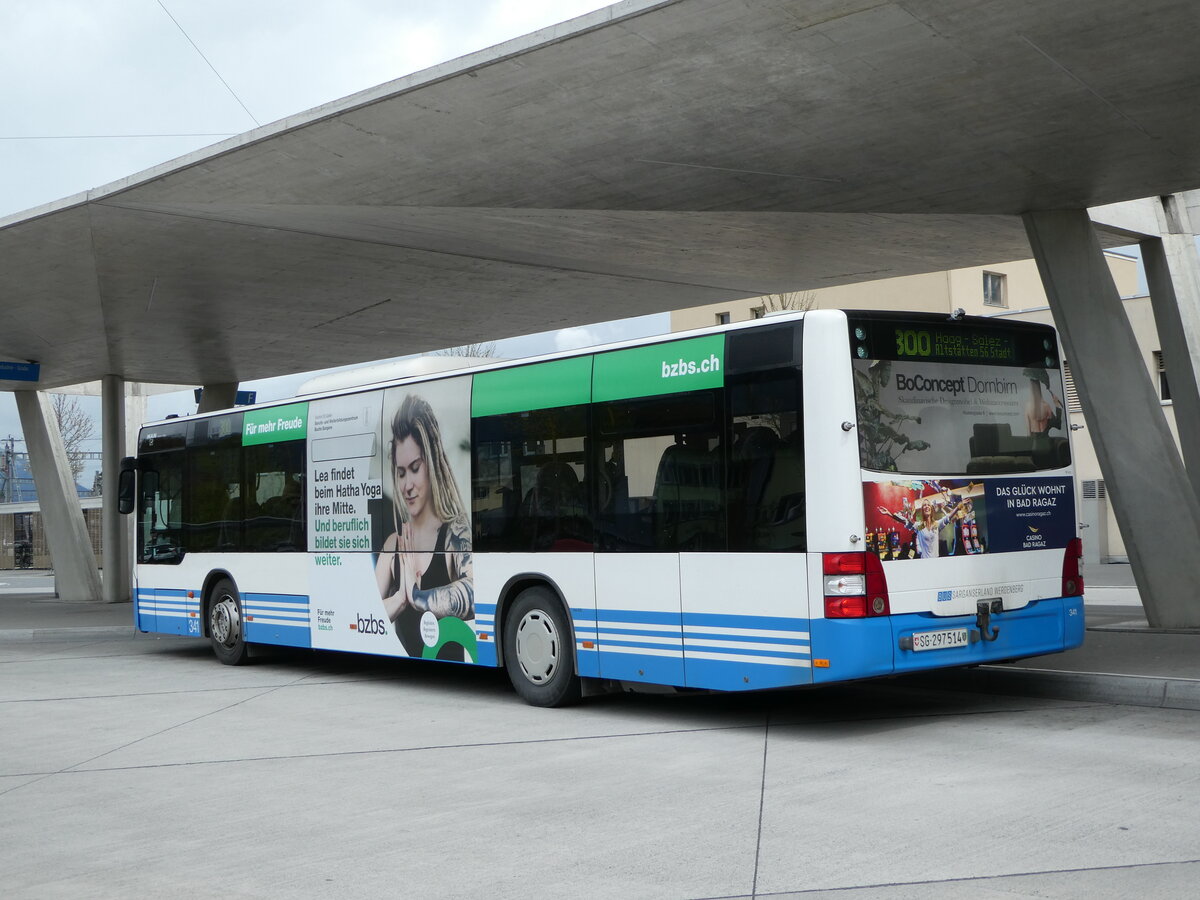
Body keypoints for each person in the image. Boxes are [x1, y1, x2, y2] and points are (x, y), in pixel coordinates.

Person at [374, 394, 473, 657]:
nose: (407, 485)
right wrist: (400, 598)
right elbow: (364, 615)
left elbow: (476, 591)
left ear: (431, 464)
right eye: (401, 471)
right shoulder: (393, 546)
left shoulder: (455, 534)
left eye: (415, 468)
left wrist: (417, 596)